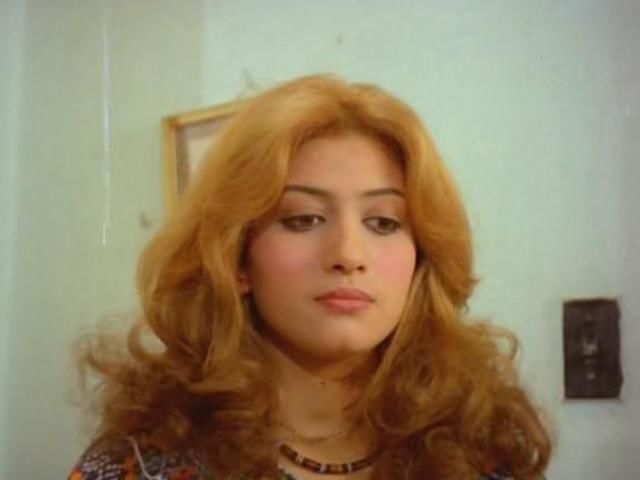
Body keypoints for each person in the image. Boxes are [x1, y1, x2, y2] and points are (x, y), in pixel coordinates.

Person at [68, 74, 551, 480]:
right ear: (236, 259)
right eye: (303, 219)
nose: (348, 255)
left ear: (421, 259)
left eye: (383, 223)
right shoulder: (139, 465)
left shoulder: (484, 454)